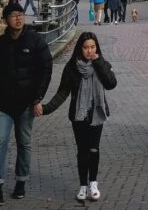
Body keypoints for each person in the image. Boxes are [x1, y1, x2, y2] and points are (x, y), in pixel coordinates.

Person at [0, 3, 53, 207]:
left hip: (26, 103)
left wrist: (38, 98)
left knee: (24, 142)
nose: (18, 18)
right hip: (1, 104)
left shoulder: (36, 40)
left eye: (20, 14)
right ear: (6, 20)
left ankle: (21, 182)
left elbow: (46, 69)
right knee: (0, 142)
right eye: (13, 15)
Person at [37, 32, 116, 202]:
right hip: (78, 116)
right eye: (86, 47)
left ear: (97, 48)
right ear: (80, 49)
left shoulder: (102, 64)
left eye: (93, 47)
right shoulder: (72, 68)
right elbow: (62, 93)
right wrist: (45, 109)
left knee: (94, 149)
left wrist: (98, 62)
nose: (89, 51)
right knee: (82, 151)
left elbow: (111, 84)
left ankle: (93, 183)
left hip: (97, 114)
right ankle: (83, 186)